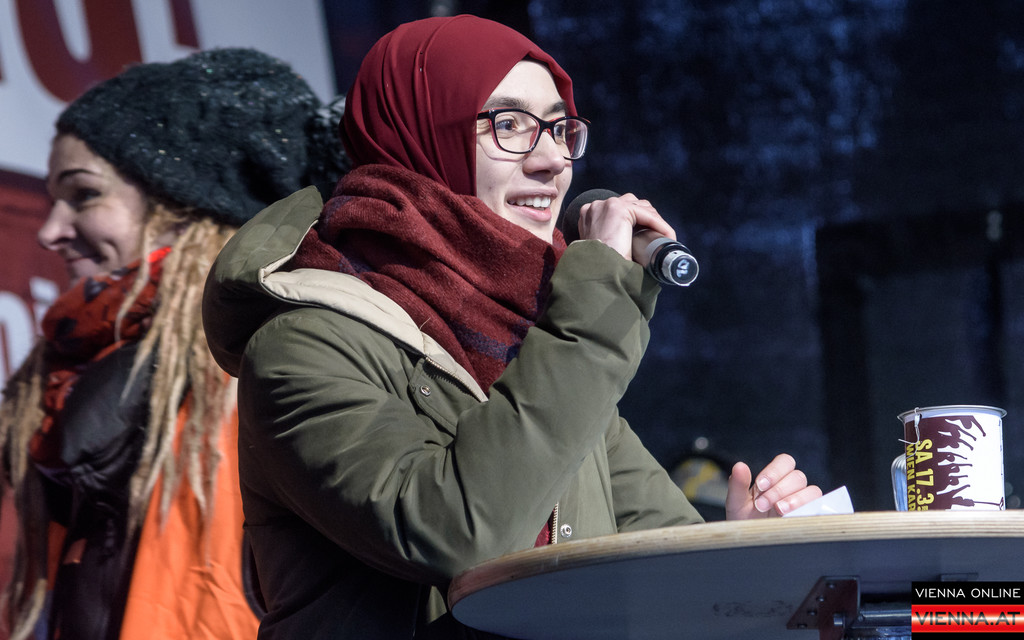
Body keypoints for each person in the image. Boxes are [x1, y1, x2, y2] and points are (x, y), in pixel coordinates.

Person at [202, 15, 822, 639]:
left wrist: (738, 552)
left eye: (558, 128)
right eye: (509, 125)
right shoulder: (301, 346)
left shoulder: (537, 340)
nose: (552, 160)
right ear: (422, 138)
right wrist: (596, 299)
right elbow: (459, 535)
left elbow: (655, 564)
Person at [0, 48, 348, 640]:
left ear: (184, 210)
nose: (51, 230)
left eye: (84, 195)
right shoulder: (75, 376)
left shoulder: (270, 369)